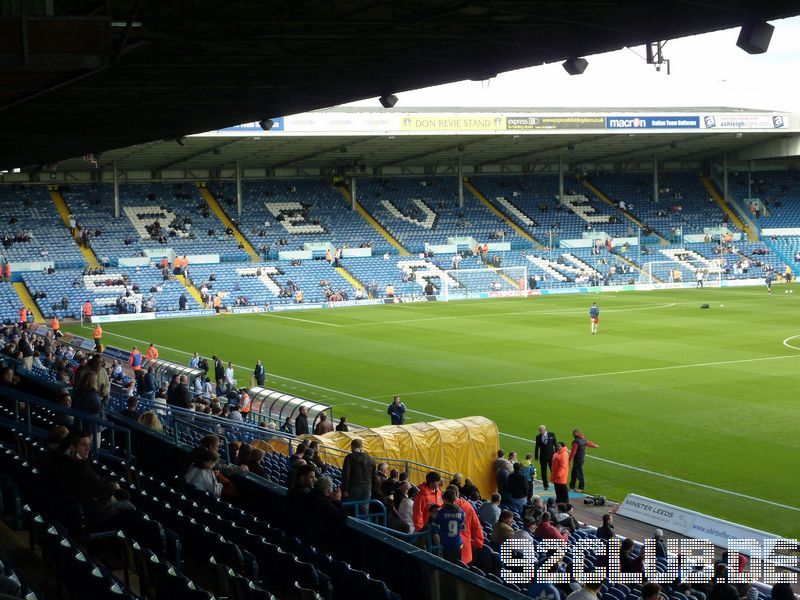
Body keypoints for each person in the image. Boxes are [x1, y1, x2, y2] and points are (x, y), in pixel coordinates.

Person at [340, 438, 375, 515]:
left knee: (350, 511)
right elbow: (374, 476)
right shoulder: (371, 459)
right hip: (367, 488)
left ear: (352, 447)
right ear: (362, 447)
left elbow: (346, 474)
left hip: (354, 487)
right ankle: (365, 526)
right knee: (364, 512)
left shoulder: (349, 457)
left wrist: (345, 489)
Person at [433, 488, 465, 563]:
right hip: (458, 544)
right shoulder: (461, 511)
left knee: (448, 565)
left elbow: (434, 526)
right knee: (457, 565)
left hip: (446, 544)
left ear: (445, 500)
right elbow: (462, 526)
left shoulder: (442, 512)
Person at [569, 429, 598, 493]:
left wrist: (570, 460)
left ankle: (581, 487)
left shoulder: (576, 442)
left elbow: (573, 452)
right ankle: (572, 486)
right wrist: (595, 445)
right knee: (574, 473)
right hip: (581, 458)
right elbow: (588, 443)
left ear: (575, 434)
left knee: (579, 473)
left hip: (577, 460)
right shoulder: (583, 439)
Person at [535, 425, 557, 490]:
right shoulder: (538, 437)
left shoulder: (552, 434)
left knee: (553, 470)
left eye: (541, 430)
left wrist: (557, 455)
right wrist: (536, 456)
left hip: (551, 456)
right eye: (539, 430)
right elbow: (537, 447)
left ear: (545, 430)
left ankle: (556, 483)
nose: (540, 432)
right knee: (543, 471)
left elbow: (555, 445)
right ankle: (545, 485)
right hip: (542, 457)